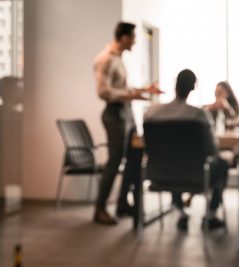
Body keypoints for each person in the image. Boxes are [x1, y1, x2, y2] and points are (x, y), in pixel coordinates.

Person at [93, 21, 162, 225]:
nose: (134, 41)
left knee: (134, 157)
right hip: (115, 115)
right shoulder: (105, 59)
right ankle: (100, 208)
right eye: (132, 37)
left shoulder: (118, 59)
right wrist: (133, 95)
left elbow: (120, 87)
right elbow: (103, 92)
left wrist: (142, 91)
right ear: (123, 37)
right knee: (115, 161)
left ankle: (123, 203)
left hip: (126, 114)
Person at [144, 69, 228, 231]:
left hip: (159, 174)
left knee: (173, 161)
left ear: (175, 86)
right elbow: (211, 149)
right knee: (221, 164)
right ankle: (211, 215)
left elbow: (147, 146)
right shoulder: (198, 115)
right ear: (193, 88)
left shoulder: (152, 113)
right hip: (195, 175)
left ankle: (181, 211)